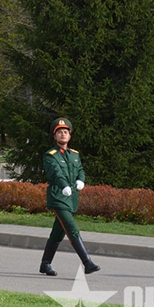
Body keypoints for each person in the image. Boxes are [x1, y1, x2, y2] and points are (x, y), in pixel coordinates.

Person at [39, 118, 100, 276]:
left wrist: (81, 180)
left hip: (71, 198)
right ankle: (87, 262)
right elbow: (55, 173)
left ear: (70, 135)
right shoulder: (50, 155)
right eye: (59, 132)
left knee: (58, 232)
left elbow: (80, 169)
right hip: (58, 197)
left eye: (65, 132)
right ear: (55, 136)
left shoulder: (74, 155)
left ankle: (45, 264)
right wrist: (64, 185)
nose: (63, 134)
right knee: (71, 228)